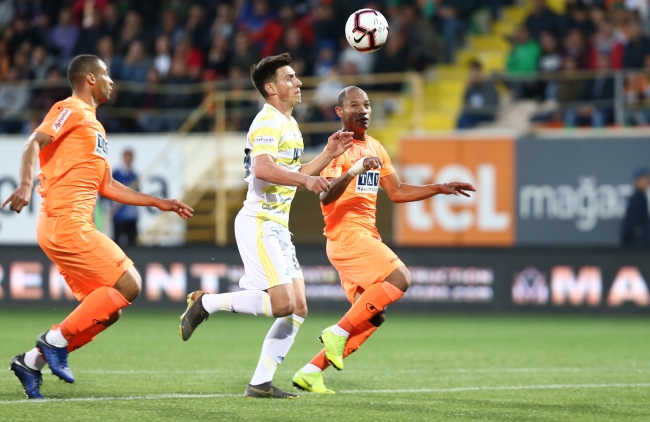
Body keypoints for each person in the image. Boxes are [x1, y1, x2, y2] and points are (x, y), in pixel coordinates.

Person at [2, 54, 193, 400]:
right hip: (64, 220)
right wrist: (25, 185)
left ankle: (30, 362)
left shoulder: (96, 127)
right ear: (90, 78)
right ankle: (54, 340)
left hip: (70, 224)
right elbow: (33, 142)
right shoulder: (70, 108)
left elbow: (108, 186)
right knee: (130, 283)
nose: (111, 80)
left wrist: (158, 202)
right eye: (106, 73)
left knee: (108, 311)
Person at [178, 53, 354, 399]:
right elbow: (263, 168)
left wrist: (328, 155)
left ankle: (260, 382)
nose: (298, 82)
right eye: (289, 78)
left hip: (277, 226)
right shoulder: (267, 122)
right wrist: (306, 181)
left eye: (296, 77)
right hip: (259, 222)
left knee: (298, 307)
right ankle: (206, 303)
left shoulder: (289, 123)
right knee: (283, 304)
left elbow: (293, 174)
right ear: (271, 89)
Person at [292, 86, 475, 394]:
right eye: (354, 105)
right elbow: (325, 196)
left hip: (362, 236)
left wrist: (438, 187)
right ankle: (337, 332)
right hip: (347, 234)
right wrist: (355, 169)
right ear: (340, 112)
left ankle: (311, 372)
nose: (363, 110)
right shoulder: (338, 148)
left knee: (373, 316)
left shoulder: (375, 147)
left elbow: (397, 192)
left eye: (366, 105)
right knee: (400, 278)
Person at [112, 149, 139, 247]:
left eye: (130, 158)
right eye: (127, 157)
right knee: (117, 244)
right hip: (119, 214)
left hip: (131, 215)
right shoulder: (116, 174)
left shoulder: (134, 175)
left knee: (133, 243)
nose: (128, 160)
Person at [620, 167, 650, 248]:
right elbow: (630, 221)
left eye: (647, 178)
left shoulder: (642, 197)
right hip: (636, 244)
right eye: (644, 178)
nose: (647, 181)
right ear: (637, 181)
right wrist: (623, 239)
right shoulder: (637, 199)